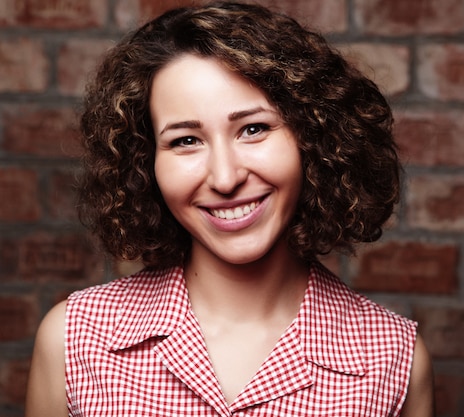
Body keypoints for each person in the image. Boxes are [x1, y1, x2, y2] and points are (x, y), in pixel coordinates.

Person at [25, 2, 434, 416]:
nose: (224, 178)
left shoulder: (394, 360)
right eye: (185, 140)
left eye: (253, 129)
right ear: (145, 162)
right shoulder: (73, 339)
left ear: (314, 138)